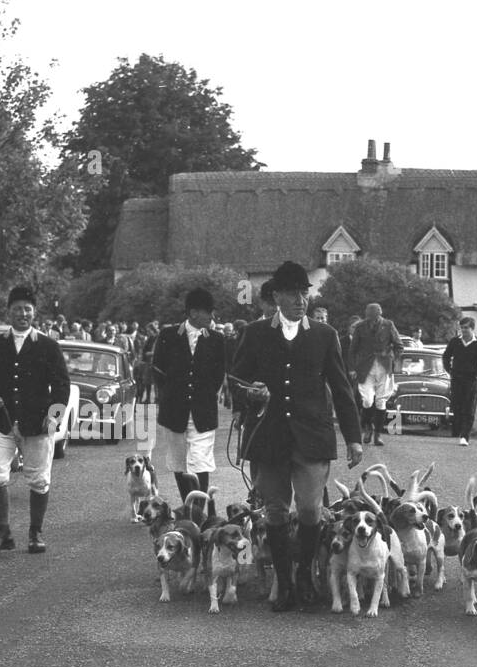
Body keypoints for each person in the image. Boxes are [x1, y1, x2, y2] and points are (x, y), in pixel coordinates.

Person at [230, 260, 363, 612]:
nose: (300, 300)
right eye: (292, 293)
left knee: (308, 509)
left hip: (312, 436)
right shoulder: (256, 333)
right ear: (276, 296)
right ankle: (285, 582)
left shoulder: (325, 334)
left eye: (304, 293)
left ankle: (305, 574)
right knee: (274, 512)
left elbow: (342, 387)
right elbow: (235, 381)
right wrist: (250, 392)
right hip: (268, 435)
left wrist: (353, 437)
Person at [0, 285, 71, 556]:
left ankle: (35, 532)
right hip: (2, 421)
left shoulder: (48, 346)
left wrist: (53, 417)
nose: (22, 314)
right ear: (8, 312)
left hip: (37, 423)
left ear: (34, 312)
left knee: (39, 480)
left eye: (27, 309)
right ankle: (2, 531)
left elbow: (62, 385)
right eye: (17, 309)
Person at [151, 288, 227, 503]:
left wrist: (203, 397)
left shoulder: (216, 339)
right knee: (180, 461)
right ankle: (187, 504)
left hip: (203, 411)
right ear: (193, 313)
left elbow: (218, 376)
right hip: (174, 411)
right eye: (208, 312)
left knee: (201, 461)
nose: (212, 316)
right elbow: (158, 371)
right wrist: (171, 396)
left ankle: (198, 513)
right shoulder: (167, 336)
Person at [348, 302, 403, 447]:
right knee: (367, 400)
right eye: (370, 317)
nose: (373, 320)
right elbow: (352, 349)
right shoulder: (360, 326)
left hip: (384, 367)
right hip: (365, 368)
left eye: (375, 317)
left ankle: (378, 434)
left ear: (380, 314)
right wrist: (352, 368)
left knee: (381, 401)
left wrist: (392, 359)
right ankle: (367, 427)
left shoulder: (388, 325)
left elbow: (399, 346)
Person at [442, 315, 477, 445]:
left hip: (471, 381)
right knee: (457, 407)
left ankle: (465, 436)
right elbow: (446, 357)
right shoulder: (455, 342)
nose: (463, 330)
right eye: (462, 327)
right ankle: (457, 430)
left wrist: (476, 375)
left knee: (469, 408)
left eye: (466, 328)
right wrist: (450, 370)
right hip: (456, 379)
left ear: (472, 329)